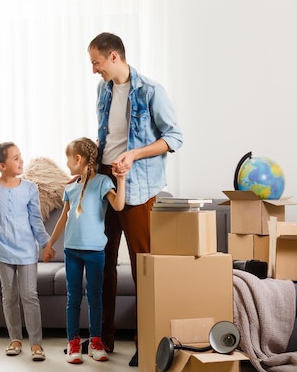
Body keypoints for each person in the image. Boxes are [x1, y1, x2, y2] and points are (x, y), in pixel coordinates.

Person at [87, 32, 184, 366]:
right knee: (103, 266)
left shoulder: (151, 91)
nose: (94, 70)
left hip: (139, 187)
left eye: (96, 63)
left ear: (114, 57)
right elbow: (106, 137)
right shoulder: (103, 90)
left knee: (144, 266)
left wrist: (135, 155)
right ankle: (104, 338)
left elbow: (175, 137)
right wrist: (89, 170)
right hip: (105, 182)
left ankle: (149, 340)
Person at [42, 137, 126, 364]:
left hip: (95, 252)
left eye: (68, 159)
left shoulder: (102, 183)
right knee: (73, 298)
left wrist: (122, 179)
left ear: (78, 159)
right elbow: (63, 219)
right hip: (72, 252)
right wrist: (50, 245)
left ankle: (96, 341)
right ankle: (73, 343)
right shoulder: (70, 187)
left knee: (95, 298)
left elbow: (118, 206)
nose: (67, 164)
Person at [0, 142, 52, 362]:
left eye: (20, 156)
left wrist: (46, 244)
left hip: (26, 251)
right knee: (9, 296)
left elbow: (36, 220)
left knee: (29, 296)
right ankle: (15, 339)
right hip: (2, 251)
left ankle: (36, 343)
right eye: (16, 158)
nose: (21, 161)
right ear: (2, 165)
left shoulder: (30, 188)